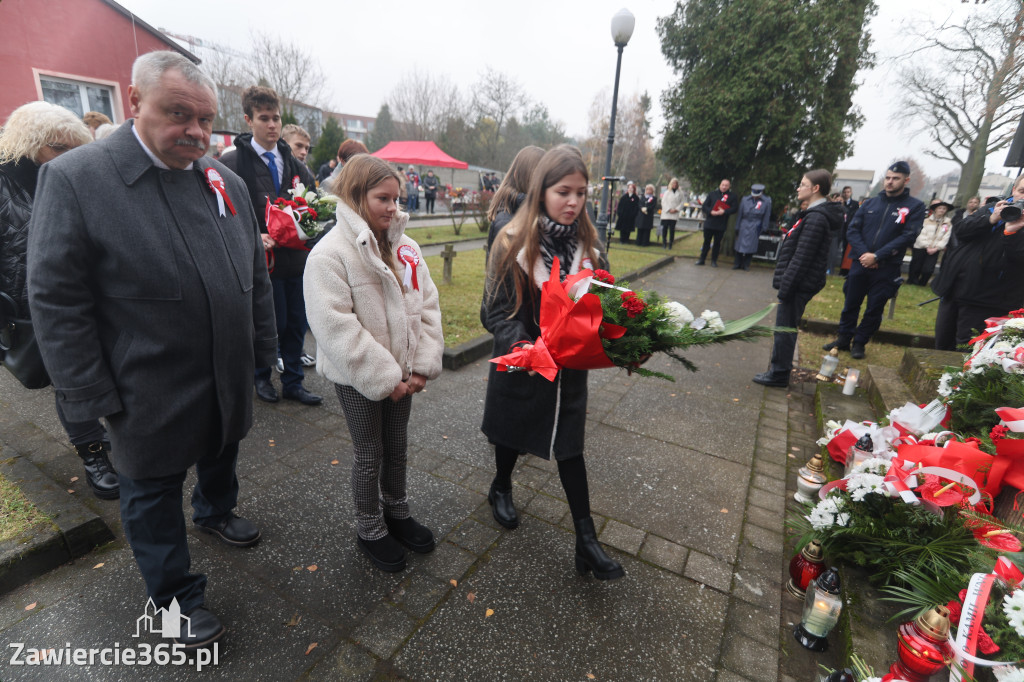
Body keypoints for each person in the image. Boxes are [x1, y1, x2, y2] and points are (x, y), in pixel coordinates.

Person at [27, 50, 277, 649]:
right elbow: (56, 297)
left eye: (206, 119)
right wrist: (88, 394)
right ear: (135, 103)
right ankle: (173, 600)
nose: (195, 130)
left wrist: (263, 347)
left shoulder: (227, 180)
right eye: (177, 113)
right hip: (145, 382)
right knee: (152, 491)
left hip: (224, 366)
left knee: (223, 447)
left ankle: (215, 511)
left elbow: (254, 273)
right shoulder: (76, 179)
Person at [481, 144, 623, 581]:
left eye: (581, 192)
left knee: (570, 449)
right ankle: (501, 485)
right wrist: (528, 348)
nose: (574, 202)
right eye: (564, 191)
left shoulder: (590, 249)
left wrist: (622, 333)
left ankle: (586, 541)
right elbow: (495, 313)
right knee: (512, 433)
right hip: (525, 366)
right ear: (541, 190)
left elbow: (607, 305)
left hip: (570, 376)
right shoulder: (513, 243)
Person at [303, 155, 443, 572]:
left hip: (404, 372)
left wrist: (419, 366)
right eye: (382, 198)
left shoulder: (406, 248)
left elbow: (427, 305)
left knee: (396, 445)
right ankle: (369, 527)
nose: (392, 208)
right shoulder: (329, 256)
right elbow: (335, 327)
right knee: (370, 450)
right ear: (355, 195)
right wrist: (384, 377)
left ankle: (395, 510)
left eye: (396, 199)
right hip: (358, 377)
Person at [0, 101, 118, 499]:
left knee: (106, 366)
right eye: (59, 148)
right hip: (36, 307)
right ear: (30, 145)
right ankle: (93, 454)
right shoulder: (5, 185)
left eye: (76, 147)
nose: (72, 156)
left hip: (95, 295)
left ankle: (116, 434)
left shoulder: (81, 179)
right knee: (69, 381)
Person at [220, 86, 321, 407]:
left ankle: (293, 381)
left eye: (276, 118)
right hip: (260, 262)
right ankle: (261, 377)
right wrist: (252, 237)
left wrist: (311, 224)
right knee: (266, 323)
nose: (272, 125)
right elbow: (223, 212)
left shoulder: (292, 161)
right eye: (264, 118)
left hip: (295, 258)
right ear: (248, 119)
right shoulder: (233, 162)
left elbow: (312, 201)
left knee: (295, 323)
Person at [822, 161, 925, 359]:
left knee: (874, 307)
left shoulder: (915, 207)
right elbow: (853, 229)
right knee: (851, 303)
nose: (890, 182)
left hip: (887, 267)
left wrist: (877, 256)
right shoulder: (870, 203)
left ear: (906, 180)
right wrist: (865, 255)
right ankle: (844, 339)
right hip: (860, 263)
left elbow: (908, 236)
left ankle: (859, 342)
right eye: (887, 178)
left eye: (895, 179)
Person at [753, 170, 844, 387]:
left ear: (815, 189)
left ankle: (779, 373)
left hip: (798, 284)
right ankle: (779, 370)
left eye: (803, 184)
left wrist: (786, 288)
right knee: (785, 327)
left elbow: (802, 258)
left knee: (784, 328)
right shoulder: (813, 214)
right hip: (798, 282)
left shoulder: (816, 218)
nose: (798, 188)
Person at [932, 175, 1024, 350]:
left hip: (988, 300)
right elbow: (960, 231)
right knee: (942, 343)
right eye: (1022, 191)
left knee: (967, 350)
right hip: (954, 289)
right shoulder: (994, 208)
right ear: (1013, 190)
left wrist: (1012, 233)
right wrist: (991, 219)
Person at [486, 145, 545, 253]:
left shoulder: (537, 213)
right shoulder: (506, 223)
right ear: (518, 176)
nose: (545, 184)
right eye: (538, 177)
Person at [907, 199, 953, 286]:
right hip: (921, 246)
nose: (942, 210)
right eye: (940, 208)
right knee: (916, 266)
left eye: (944, 208)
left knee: (928, 269)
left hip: (935, 248)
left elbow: (946, 237)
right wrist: (927, 245)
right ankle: (912, 281)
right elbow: (921, 233)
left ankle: (922, 283)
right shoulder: (926, 220)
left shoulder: (948, 223)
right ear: (935, 209)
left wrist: (937, 247)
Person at [698, 178, 738, 266]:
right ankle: (702, 259)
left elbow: (734, 208)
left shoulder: (732, 196)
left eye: (726, 185)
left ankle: (714, 261)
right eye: (722, 185)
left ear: (729, 187)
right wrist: (711, 211)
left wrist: (724, 211)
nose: (724, 187)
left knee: (717, 243)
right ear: (720, 185)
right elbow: (705, 206)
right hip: (710, 222)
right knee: (706, 242)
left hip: (721, 224)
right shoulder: (712, 194)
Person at [733, 183, 772, 270]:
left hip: (755, 225)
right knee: (739, 245)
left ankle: (746, 264)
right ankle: (737, 263)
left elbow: (766, 215)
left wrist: (764, 227)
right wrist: (737, 226)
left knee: (751, 246)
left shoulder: (766, 201)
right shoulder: (745, 199)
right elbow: (740, 214)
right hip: (744, 223)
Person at [660, 178, 685, 249]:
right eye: (673, 183)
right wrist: (668, 209)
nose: (674, 185)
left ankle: (670, 243)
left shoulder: (680, 193)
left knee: (672, 229)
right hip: (666, 213)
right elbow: (663, 202)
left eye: (676, 183)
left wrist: (676, 209)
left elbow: (682, 202)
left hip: (674, 213)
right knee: (664, 228)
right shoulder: (667, 192)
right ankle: (664, 243)